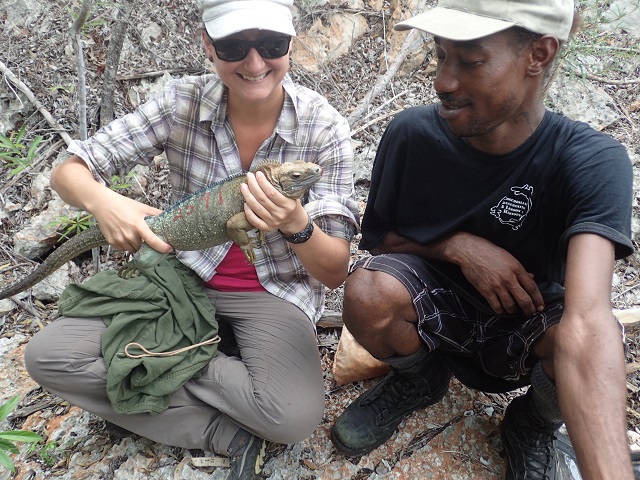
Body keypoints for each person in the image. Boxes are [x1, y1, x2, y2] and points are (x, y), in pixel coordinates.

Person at [23, 0, 359, 479]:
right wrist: (106, 203)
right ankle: (223, 431)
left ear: (291, 44)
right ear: (208, 45)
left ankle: (157, 365)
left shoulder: (324, 128)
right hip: (179, 273)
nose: (255, 62)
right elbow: (70, 170)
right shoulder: (181, 101)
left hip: (272, 292)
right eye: (233, 46)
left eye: (271, 45)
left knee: (292, 416)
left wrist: (295, 223)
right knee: (49, 356)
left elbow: (333, 269)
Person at [329, 0, 635, 478]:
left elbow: (589, 321)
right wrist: (458, 247)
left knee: (596, 339)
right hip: (434, 310)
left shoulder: (591, 160)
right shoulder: (413, 134)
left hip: (524, 322)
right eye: (441, 56)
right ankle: (419, 380)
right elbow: (381, 239)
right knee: (367, 292)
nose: (443, 82)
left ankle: (531, 423)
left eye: (470, 61)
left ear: (539, 55)